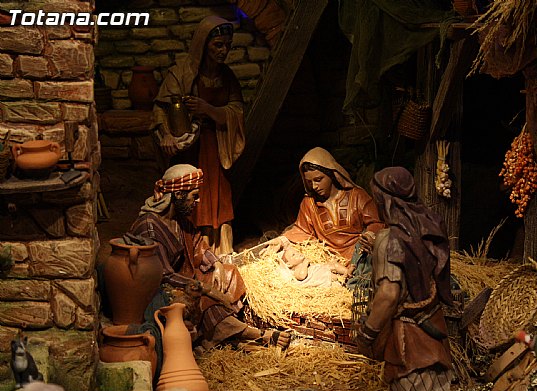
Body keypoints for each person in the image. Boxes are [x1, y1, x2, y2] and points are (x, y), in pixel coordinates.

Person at [356, 167, 515, 391]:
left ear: (386, 200)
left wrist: (367, 333)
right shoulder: (426, 230)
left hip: (411, 342)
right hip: (431, 327)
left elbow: (388, 294)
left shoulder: (389, 240)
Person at [129, 164, 289, 350]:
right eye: (194, 196)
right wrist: (206, 288)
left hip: (185, 276)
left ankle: (226, 335)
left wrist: (217, 264)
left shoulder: (179, 220)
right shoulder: (150, 227)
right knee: (204, 298)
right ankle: (251, 334)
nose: (198, 201)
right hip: (161, 289)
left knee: (228, 274)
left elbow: (198, 245)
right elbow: (162, 274)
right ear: (178, 194)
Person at [152, 15, 245, 255]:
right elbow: (161, 108)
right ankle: (190, 248)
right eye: (218, 45)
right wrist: (166, 134)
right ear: (203, 44)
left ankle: (219, 248)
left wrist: (209, 109)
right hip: (190, 148)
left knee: (218, 194)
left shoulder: (227, 76)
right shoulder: (181, 73)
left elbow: (237, 111)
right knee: (190, 194)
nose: (224, 51)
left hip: (217, 146)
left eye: (227, 45)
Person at [265, 147, 384, 284]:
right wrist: (282, 240)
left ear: (332, 174)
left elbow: (377, 222)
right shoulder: (309, 203)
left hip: (357, 256)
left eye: (318, 179)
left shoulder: (356, 196)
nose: (314, 186)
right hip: (328, 260)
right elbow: (302, 229)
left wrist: (370, 235)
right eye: (309, 182)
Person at [278, 245, 354, 286]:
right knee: (333, 277)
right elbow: (302, 276)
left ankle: (347, 272)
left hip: (320, 269)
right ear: (289, 264)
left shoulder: (307, 264)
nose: (298, 253)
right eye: (293, 255)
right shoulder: (297, 270)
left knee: (334, 265)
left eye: (297, 252)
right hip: (322, 275)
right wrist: (305, 264)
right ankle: (344, 278)